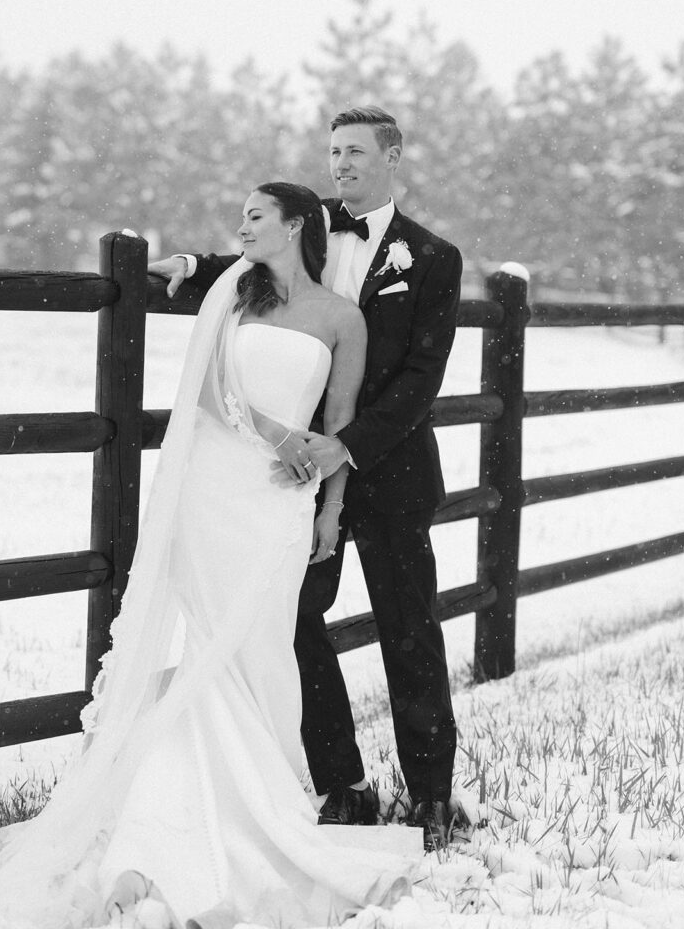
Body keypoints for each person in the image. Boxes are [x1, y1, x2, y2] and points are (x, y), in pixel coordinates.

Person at [0, 183, 420, 929]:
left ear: (295, 227)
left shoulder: (342, 317)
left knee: (260, 651)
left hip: (281, 505)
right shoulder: (232, 294)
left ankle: (250, 807)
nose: (241, 226)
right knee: (209, 649)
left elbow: (340, 424)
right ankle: (172, 827)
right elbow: (205, 391)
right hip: (215, 487)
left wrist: (328, 505)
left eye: (256, 217)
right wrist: (278, 436)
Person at [151, 107, 463, 848]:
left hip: (385, 470)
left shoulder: (431, 258)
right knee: (293, 622)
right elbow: (248, 265)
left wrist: (345, 447)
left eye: (356, 152)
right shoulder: (307, 225)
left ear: (392, 155)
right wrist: (191, 268)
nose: (341, 164)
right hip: (290, 479)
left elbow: (420, 378)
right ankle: (340, 783)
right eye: (333, 153)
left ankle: (430, 796)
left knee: (407, 628)